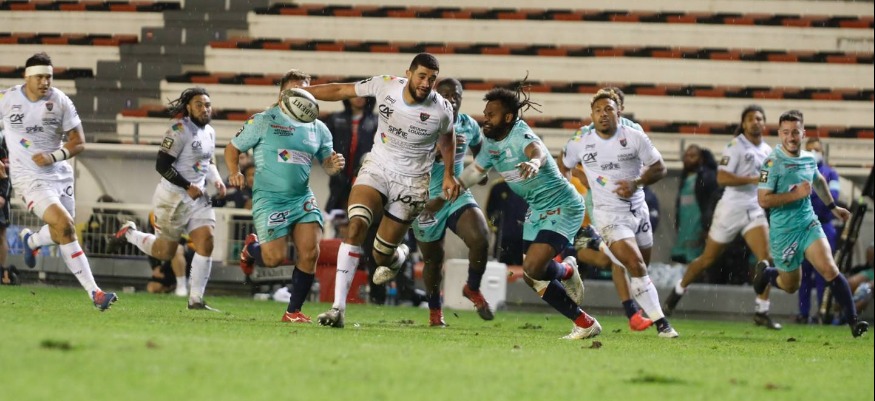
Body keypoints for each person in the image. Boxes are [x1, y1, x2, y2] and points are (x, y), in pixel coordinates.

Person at [301, 53, 461, 328]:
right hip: (378, 168)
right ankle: (338, 308)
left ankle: (396, 256)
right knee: (356, 225)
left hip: (412, 182)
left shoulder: (441, 108)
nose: (426, 83)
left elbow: (448, 136)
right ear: (408, 73)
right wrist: (303, 93)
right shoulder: (386, 85)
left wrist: (448, 174)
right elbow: (341, 90)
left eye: (432, 79)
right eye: (422, 76)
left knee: (380, 256)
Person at [452, 85, 599, 340]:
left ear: (508, 117)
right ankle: (582, 315)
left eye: (492, 114)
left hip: (564, 204)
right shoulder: (491, 144)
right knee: (533, 277)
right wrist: (454, 188)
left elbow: (537, 151)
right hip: (537, 209)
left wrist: (533, 162)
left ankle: (568, 274)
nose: (486, 118)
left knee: (532, 266)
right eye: (485, 114)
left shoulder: (520, 133)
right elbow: (476, 171)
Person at [0, 52, 117, 309]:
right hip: (28, 178)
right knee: (65, 225)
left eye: (49, 77)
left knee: (62, 231)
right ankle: (96, 293)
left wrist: (53, 156)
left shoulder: (60, 101)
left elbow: (79, 142)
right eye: (39, 77)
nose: (45, 82)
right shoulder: (8, 99)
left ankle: (32, 241)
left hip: (59, 174)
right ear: (27, 77)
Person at [228, 69, 345, 323]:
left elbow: (327, 163)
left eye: (304, 90)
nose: (298, 95)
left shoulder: (319, 128)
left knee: (310, 252)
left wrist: (334, 165)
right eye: (293, 90)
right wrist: (234, 171)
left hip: (301, 198)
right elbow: (232, 148)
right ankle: (252, 248)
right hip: (270, 199)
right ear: (281, 94)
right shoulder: (263, 120)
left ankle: (293, 312)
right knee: (273, 259)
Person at [562, 88, 679, 338]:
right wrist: (574, 184)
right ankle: (660, 323)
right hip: (607, 212)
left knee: (637, 265)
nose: (603, 114)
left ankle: (596, 244)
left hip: (638, 209)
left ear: (619, 111)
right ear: (592, 114)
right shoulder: (581, 139)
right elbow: (564, 165)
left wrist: (637, 183)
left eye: (609, 109)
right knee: (635, 264)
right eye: (598, 110)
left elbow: (659, 167)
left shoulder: (634, 134)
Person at [663, 105, 781, 330]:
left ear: (764, 123)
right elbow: (722, 178)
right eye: (750, 119)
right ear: (744, 124)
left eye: (759, 118)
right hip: (730, 208)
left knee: (766, 259)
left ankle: (761, 311)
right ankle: (677, 292)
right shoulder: (735, 146)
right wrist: (751, 179)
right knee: (707, 259)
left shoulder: (768, 150)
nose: (755, 122)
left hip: (753, 209)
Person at [107, 87, 225, 311]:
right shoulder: (178, 130)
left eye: (207, 105)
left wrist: (217, 180)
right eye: (199, 105)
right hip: (172, 199)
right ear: (188, 107)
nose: (204, 109)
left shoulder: (210, 131)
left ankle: (196, 300)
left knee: (207, 241)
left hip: (198, 198)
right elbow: (162, 165)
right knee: (165, 252)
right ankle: (130, 233)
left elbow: (208, 162)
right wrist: (187, 185)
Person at [756, 109, 868, 338]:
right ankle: (767, 274)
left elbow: (818, 181)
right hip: (784, 232)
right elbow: (763, 200)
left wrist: (833, 207)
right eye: (786, 132)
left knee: (829, 269)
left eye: (795, 132)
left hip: (808, 224)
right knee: (791, 285)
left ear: (803, 133)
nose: (791, 137)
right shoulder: (772, 163)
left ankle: (854, 322)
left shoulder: (808, 159)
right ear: (779, 133)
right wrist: (795, 195)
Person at [413, 78, 492, 326]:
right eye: (445, 94)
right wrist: (429, 154)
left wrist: (479, 171)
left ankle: (472, 287)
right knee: (433, 260)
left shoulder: (469, 125)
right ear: (435, 97)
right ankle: (435, 312)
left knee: (481, 238)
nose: (452, 99)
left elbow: (481, 152)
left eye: (456, 95)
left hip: (455, 194)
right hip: (425, 201)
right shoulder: (420, 122)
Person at [796, 137, 840, 323]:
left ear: (822, 152)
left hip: (824, 226)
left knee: (825, 272)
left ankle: (823, 312)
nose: (814, 153)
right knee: (803, 274)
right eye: (810, 149)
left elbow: (834, 197)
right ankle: (803, 313)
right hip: (803, 227)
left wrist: (811, 198)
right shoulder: (798, 172)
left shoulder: (831, 173)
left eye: (816, 149)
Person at [322, 96, 377, 212]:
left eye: (363, 94)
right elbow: (324, 143)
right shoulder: (336, 119)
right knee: (337, 204)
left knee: (361, 207)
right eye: (354, 95)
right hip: (340, 172)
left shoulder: (376, 121)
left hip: (365, 171)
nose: (359, 98)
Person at [670, 144, 719, 264]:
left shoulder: (707, 176)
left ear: (701, 159)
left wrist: (708, 226)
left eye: (692, 156)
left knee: (698, 261)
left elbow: (712, 203)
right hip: (684, 228)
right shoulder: (685, 178)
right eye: (686, 156)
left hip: (699, 227)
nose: (688, 159)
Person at [485, 177, 527, 265]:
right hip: (503, 238)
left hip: (524, 237)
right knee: (501, 267)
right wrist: (495, 227)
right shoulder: (499, 186)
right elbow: (490, 211)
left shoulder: (529, 185)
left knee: (524, 267)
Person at [0, 133, 18, 285]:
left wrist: (3, 196)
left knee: (1, 235)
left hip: (1, 197)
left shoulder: (9, 141)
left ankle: (1, 271)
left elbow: (7, 177)